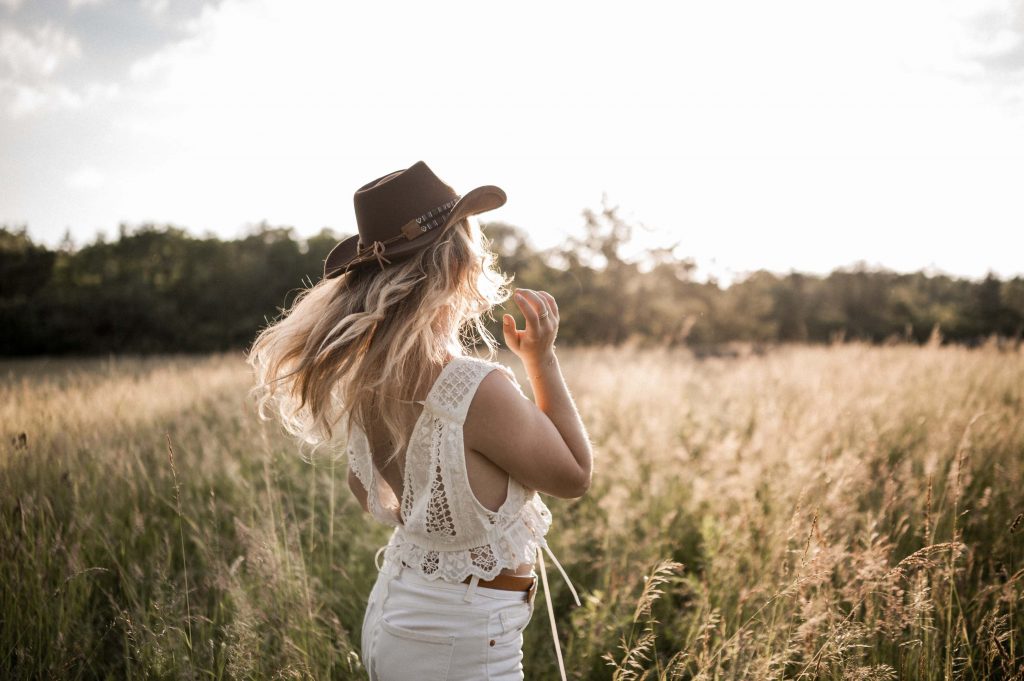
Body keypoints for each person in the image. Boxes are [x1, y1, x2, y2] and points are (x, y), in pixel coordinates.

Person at [247, 160, 594, 681]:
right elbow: (574, 477)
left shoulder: (368, 381)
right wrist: (542, 361)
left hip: (400, 614)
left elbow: (371, 497)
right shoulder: (475, 388)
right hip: (461, 640)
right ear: (457, 267)